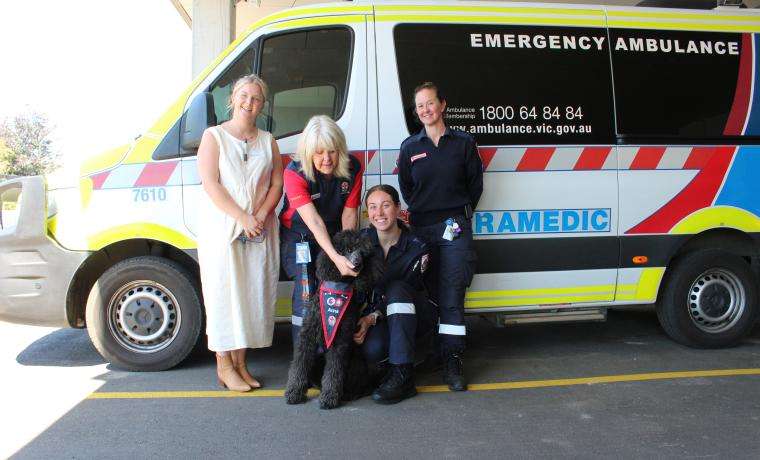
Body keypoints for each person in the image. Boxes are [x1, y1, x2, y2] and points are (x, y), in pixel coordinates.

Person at [196, 74, 283, 392]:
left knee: (250, 296)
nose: (249, 103)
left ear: (262, 104)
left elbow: (276, 183)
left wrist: (258, 216)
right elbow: (211, 183)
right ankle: (224, 365)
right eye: (244, 96)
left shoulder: (267, 140)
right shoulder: (214, 136)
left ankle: (242, 364)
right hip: (224, 230)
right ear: (232, 99)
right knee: (224, 295)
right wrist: (242, 217)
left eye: (256, 98)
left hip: (259, 230)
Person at [397, 82, 484, 392]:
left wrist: (454, 213)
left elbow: (476, 186)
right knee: (428, 293)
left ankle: (453, 360)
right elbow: (407, 189)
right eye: (420, 106)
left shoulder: (462, 143)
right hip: (422, 229)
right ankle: (435, 352)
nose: (425, 110)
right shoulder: (410, 147)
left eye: (430, 103)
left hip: (454, 227)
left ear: (442, 105)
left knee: (451, 292)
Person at [279, 115, 363, 342]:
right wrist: (334, 257)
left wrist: (344, 252)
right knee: (307, 292)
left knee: (336, 286)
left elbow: (349, 212)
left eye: (332, 151)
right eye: (319, 152)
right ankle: (303, 360)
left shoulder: (353, 166)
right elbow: (314, 221)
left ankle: (331, 351)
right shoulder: (294, 172)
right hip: (301, 235)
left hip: (334, 231)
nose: (326, 159)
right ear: (308, 152)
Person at [353, 184, 434, 404]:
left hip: (413, 315)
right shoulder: (361, 242)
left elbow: (401, 294)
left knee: (397, 288)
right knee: (373, 350)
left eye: (386, 205)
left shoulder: (417, 247)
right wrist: (360, 320)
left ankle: (403, 375)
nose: (379, 213)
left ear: (398, 208)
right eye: (372, 207)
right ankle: (389, 363)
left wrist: (371, 319)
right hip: (379, 315)